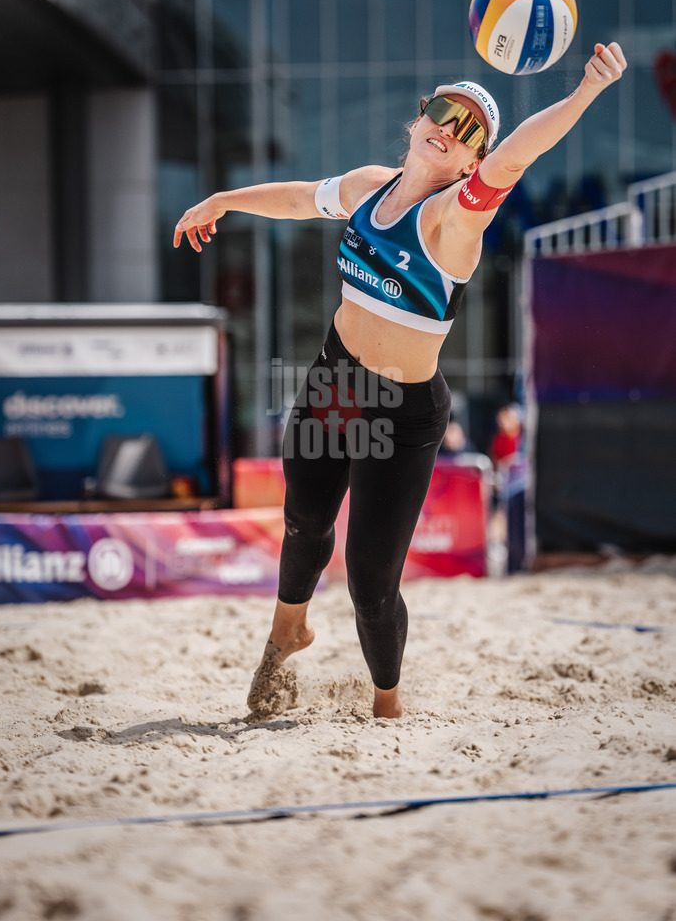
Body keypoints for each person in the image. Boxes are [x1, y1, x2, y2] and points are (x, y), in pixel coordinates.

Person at [174, 42, 627, 718]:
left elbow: (515, 157)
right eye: (446, 110)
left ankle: (387, 701)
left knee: (370, 584)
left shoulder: (454, 219)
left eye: (471, 129)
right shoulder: (367, 185)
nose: (452, 126)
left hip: (403, 411)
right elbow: (300, 197)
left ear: (472, 161)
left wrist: (586, 91)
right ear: (420, 117)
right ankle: (287, 627)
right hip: (336, 378)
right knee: (302, 520)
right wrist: (222, 199)